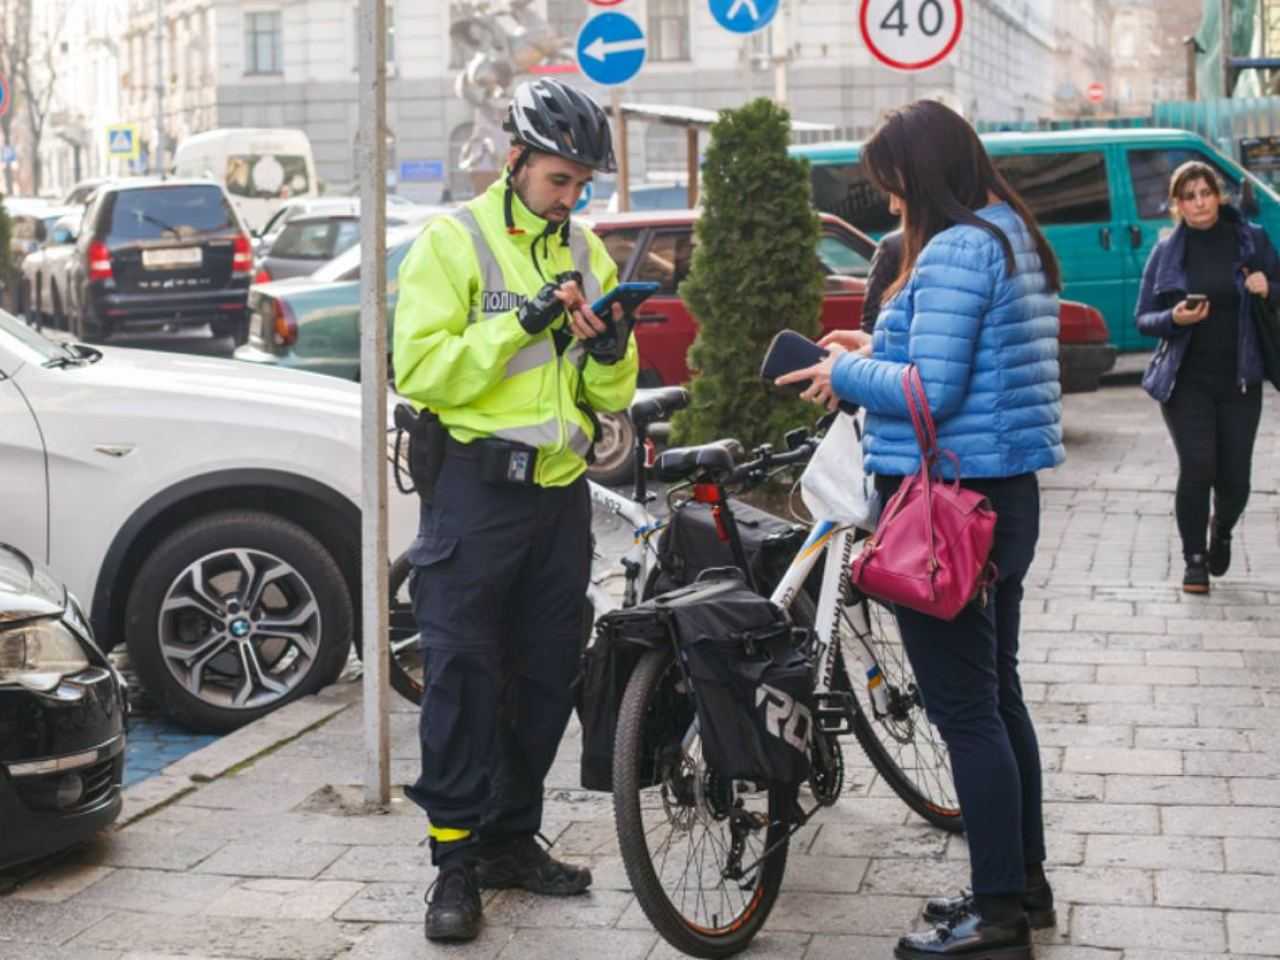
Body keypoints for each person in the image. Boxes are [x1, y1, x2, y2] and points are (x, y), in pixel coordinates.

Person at [777, 100, 1064, 960]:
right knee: (997, 695)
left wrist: (844, 371)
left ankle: (998, 916)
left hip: (948, 509)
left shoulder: (956, 248)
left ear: (922, 175)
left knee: (965, 710)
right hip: (999, 497)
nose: (891, 201)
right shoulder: (1009, 234)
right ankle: (1021, 885)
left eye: (893, 184)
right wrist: (871, 344)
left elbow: (929, 393)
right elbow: (960, 362)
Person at [392, 77, 638, 943]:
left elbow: (609, 394)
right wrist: (521, 324)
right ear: (516, 160)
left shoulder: (590, 253)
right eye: (559, 179)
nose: (571, 198)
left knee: (545, 676)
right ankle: (454, 863)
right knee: (461, 676)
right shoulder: (452, 241)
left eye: (582, 185)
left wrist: (610, 351)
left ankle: (507, 839)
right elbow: (420, 369)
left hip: (559, 496)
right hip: (475, 493)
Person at [1135, 160, 1280, 593]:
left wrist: (1268, 288)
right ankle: (1194, 560)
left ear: (1218, 196)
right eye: (1189, 196)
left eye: (1205, 193)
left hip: (1240, 380)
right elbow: (1143, 318)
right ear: (1178, 205)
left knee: (1236, 481)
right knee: (1198, 467)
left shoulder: (1251, 241)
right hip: (1186, 382)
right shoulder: (1166, 252)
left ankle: (1223, 530)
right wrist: (1174, 318)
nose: (1199, 203)